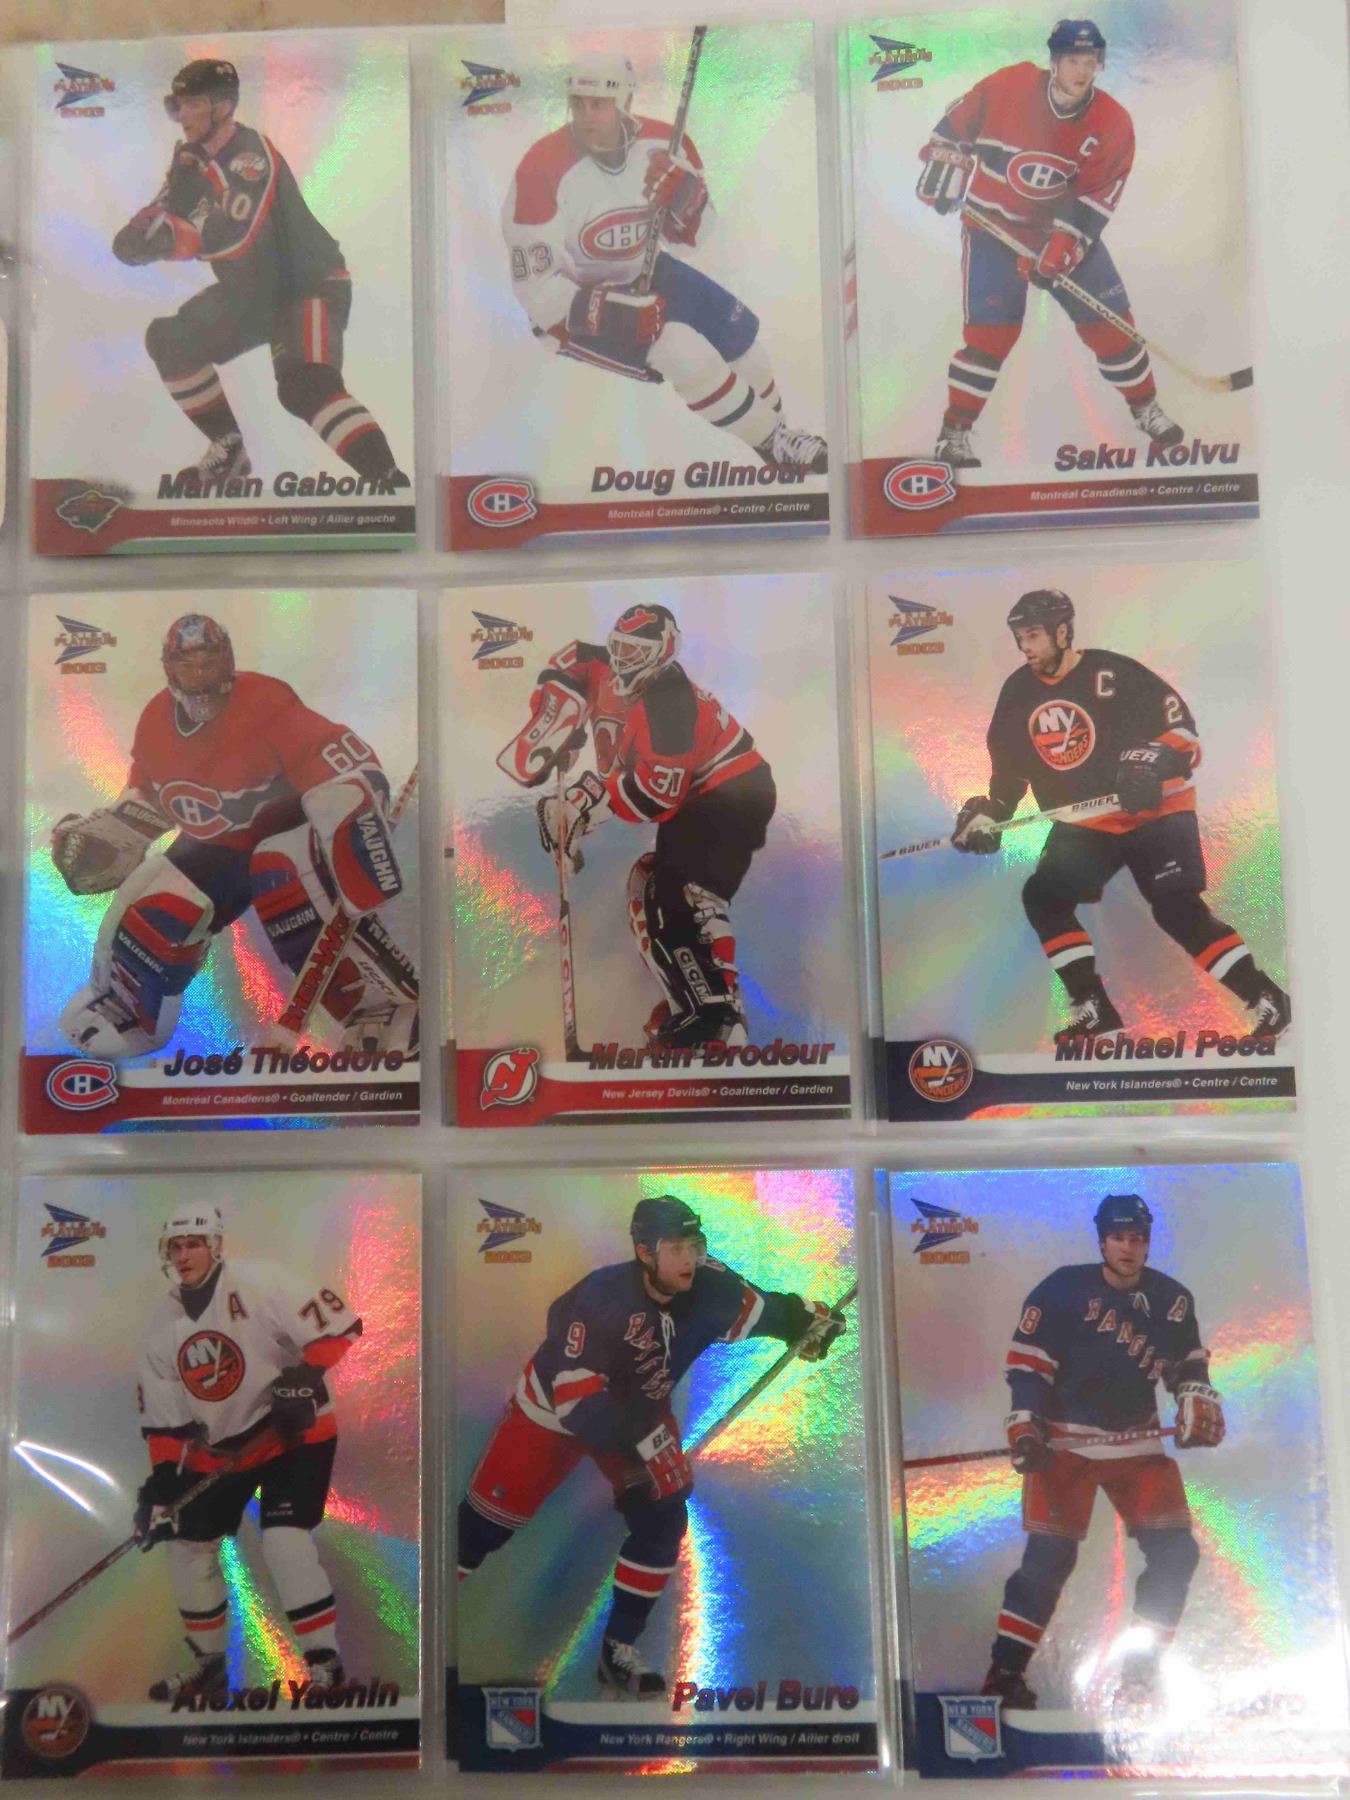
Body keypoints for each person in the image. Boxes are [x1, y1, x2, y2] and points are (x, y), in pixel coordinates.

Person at [456, 1196, 846, 1697]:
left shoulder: (712, 1287)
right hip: (553, 1411)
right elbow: (579, 1406)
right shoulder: (600, 1299)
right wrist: (640, 1451)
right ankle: (428, 1612)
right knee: (480, 1531)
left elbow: (765, 1311)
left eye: (695, 1246)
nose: (690, 1259)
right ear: (644, 1251)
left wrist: (806, 1323)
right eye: (676, 1248)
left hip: (640, 1409)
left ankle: (617, 1650)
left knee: (663, 1514)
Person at [51, 612, 418, 1060]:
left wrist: (353, 810)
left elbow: (343, 760)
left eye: (209, 662)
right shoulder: (155, 721)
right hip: (221, 847)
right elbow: (155, 796)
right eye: (188, 665)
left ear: (228, 662)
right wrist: (113, 836)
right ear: (169, 670)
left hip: (287, 830)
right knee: (157, 896)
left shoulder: (265, 702)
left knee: (281, 869)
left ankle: (380, 1009)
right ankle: (129, 1008)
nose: (200, 676)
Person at [951, 588, 1290, 1042]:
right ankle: (1094, 1008)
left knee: (1176, 909)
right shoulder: (1017, 694)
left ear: (1062, 632)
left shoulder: (1113, 674)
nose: (1025, 646)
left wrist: (1151, 760)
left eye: (1033, 635)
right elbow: (1010, 774)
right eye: (1020, 636)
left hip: (1157, 811)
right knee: (1044, 898)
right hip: (1089, 821)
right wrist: (992, 815)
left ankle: (1267, 997)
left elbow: (1183, 732)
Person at [501, 50, 827, 473]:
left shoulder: (664, 144)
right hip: (570, 305)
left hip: (645, 267)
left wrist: (686, 201)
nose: (586, 116)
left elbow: (695, 239)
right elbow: (535, 290)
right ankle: (772, 441)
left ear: (625, 101)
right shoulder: (540, 168)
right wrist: (611, 313)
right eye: (578, 104)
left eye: (599, 104)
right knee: (681, 348)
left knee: (743, 346)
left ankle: (780, 435)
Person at [112, 58, 408, 491]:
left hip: (306, 285)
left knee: (305, 386)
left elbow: (235, 233)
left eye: (193, 103)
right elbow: (164, 211)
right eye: (179, 104)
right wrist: (136, 234)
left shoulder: (249, 156)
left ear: (222, 106)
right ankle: (228, 452)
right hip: (250, 292)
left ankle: (389, 482)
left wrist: (165, 240)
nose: (183, 114)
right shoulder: (189, 159)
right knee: (170, 342)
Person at [982, 1193, 1224, 1709]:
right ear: (1102, 1241)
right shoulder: (1061, 1289)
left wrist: (1193, 1397)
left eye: (1137, 1238)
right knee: (1049, 1559)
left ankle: (1140, 1675)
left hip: (1135, 1441)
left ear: (1148, 1242)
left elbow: (1187, 1367)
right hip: (1065, 1442)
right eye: (1119, 1237)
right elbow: (1029, 1367)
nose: (1128, 1248)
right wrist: (1025, 1424)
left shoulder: (1172, 1299)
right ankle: (1004, 1674)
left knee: (1176, 1554)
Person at [497, 602, 775, 1049]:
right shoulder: (603, 666)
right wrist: (557, 717)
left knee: (684, 893)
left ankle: (719, 1019)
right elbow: (570, 660)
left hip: (733, 794)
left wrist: (584, 804)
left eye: (638, 650)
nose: (625, 659)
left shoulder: (670, 704)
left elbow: (657, 796)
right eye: (620, 647)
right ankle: (689, 1005)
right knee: (648, 885)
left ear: (664, 652)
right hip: (696, 799)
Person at [916, 19, 1183, 470]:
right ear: (1054, 61)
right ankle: (954, 434)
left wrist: (1061, 248)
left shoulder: (1113, 122)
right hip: (993, 231)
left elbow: (1095, 199)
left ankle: (1145, 407)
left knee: (1113, 328)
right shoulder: (1009, 86)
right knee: (990, 336)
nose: (1082, 71)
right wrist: (944, 170)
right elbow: (949, 132)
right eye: (1073, 60)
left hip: (1064, 233)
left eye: (1090, 61)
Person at [134, 1203, 361, 1702]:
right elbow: (166, 1424)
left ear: (215, 1245)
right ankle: (209, 1665)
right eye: (176, 1246)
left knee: (284, 1540)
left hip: (294, 1436)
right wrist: (163, 1483)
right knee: (187, 1544)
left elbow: (340, 1326)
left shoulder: (261, 1282)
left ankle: (324, 1662)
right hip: (222, 1448)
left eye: (193, 1244)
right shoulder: (158, 1327)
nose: (183, 1254)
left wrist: (304, 1376)